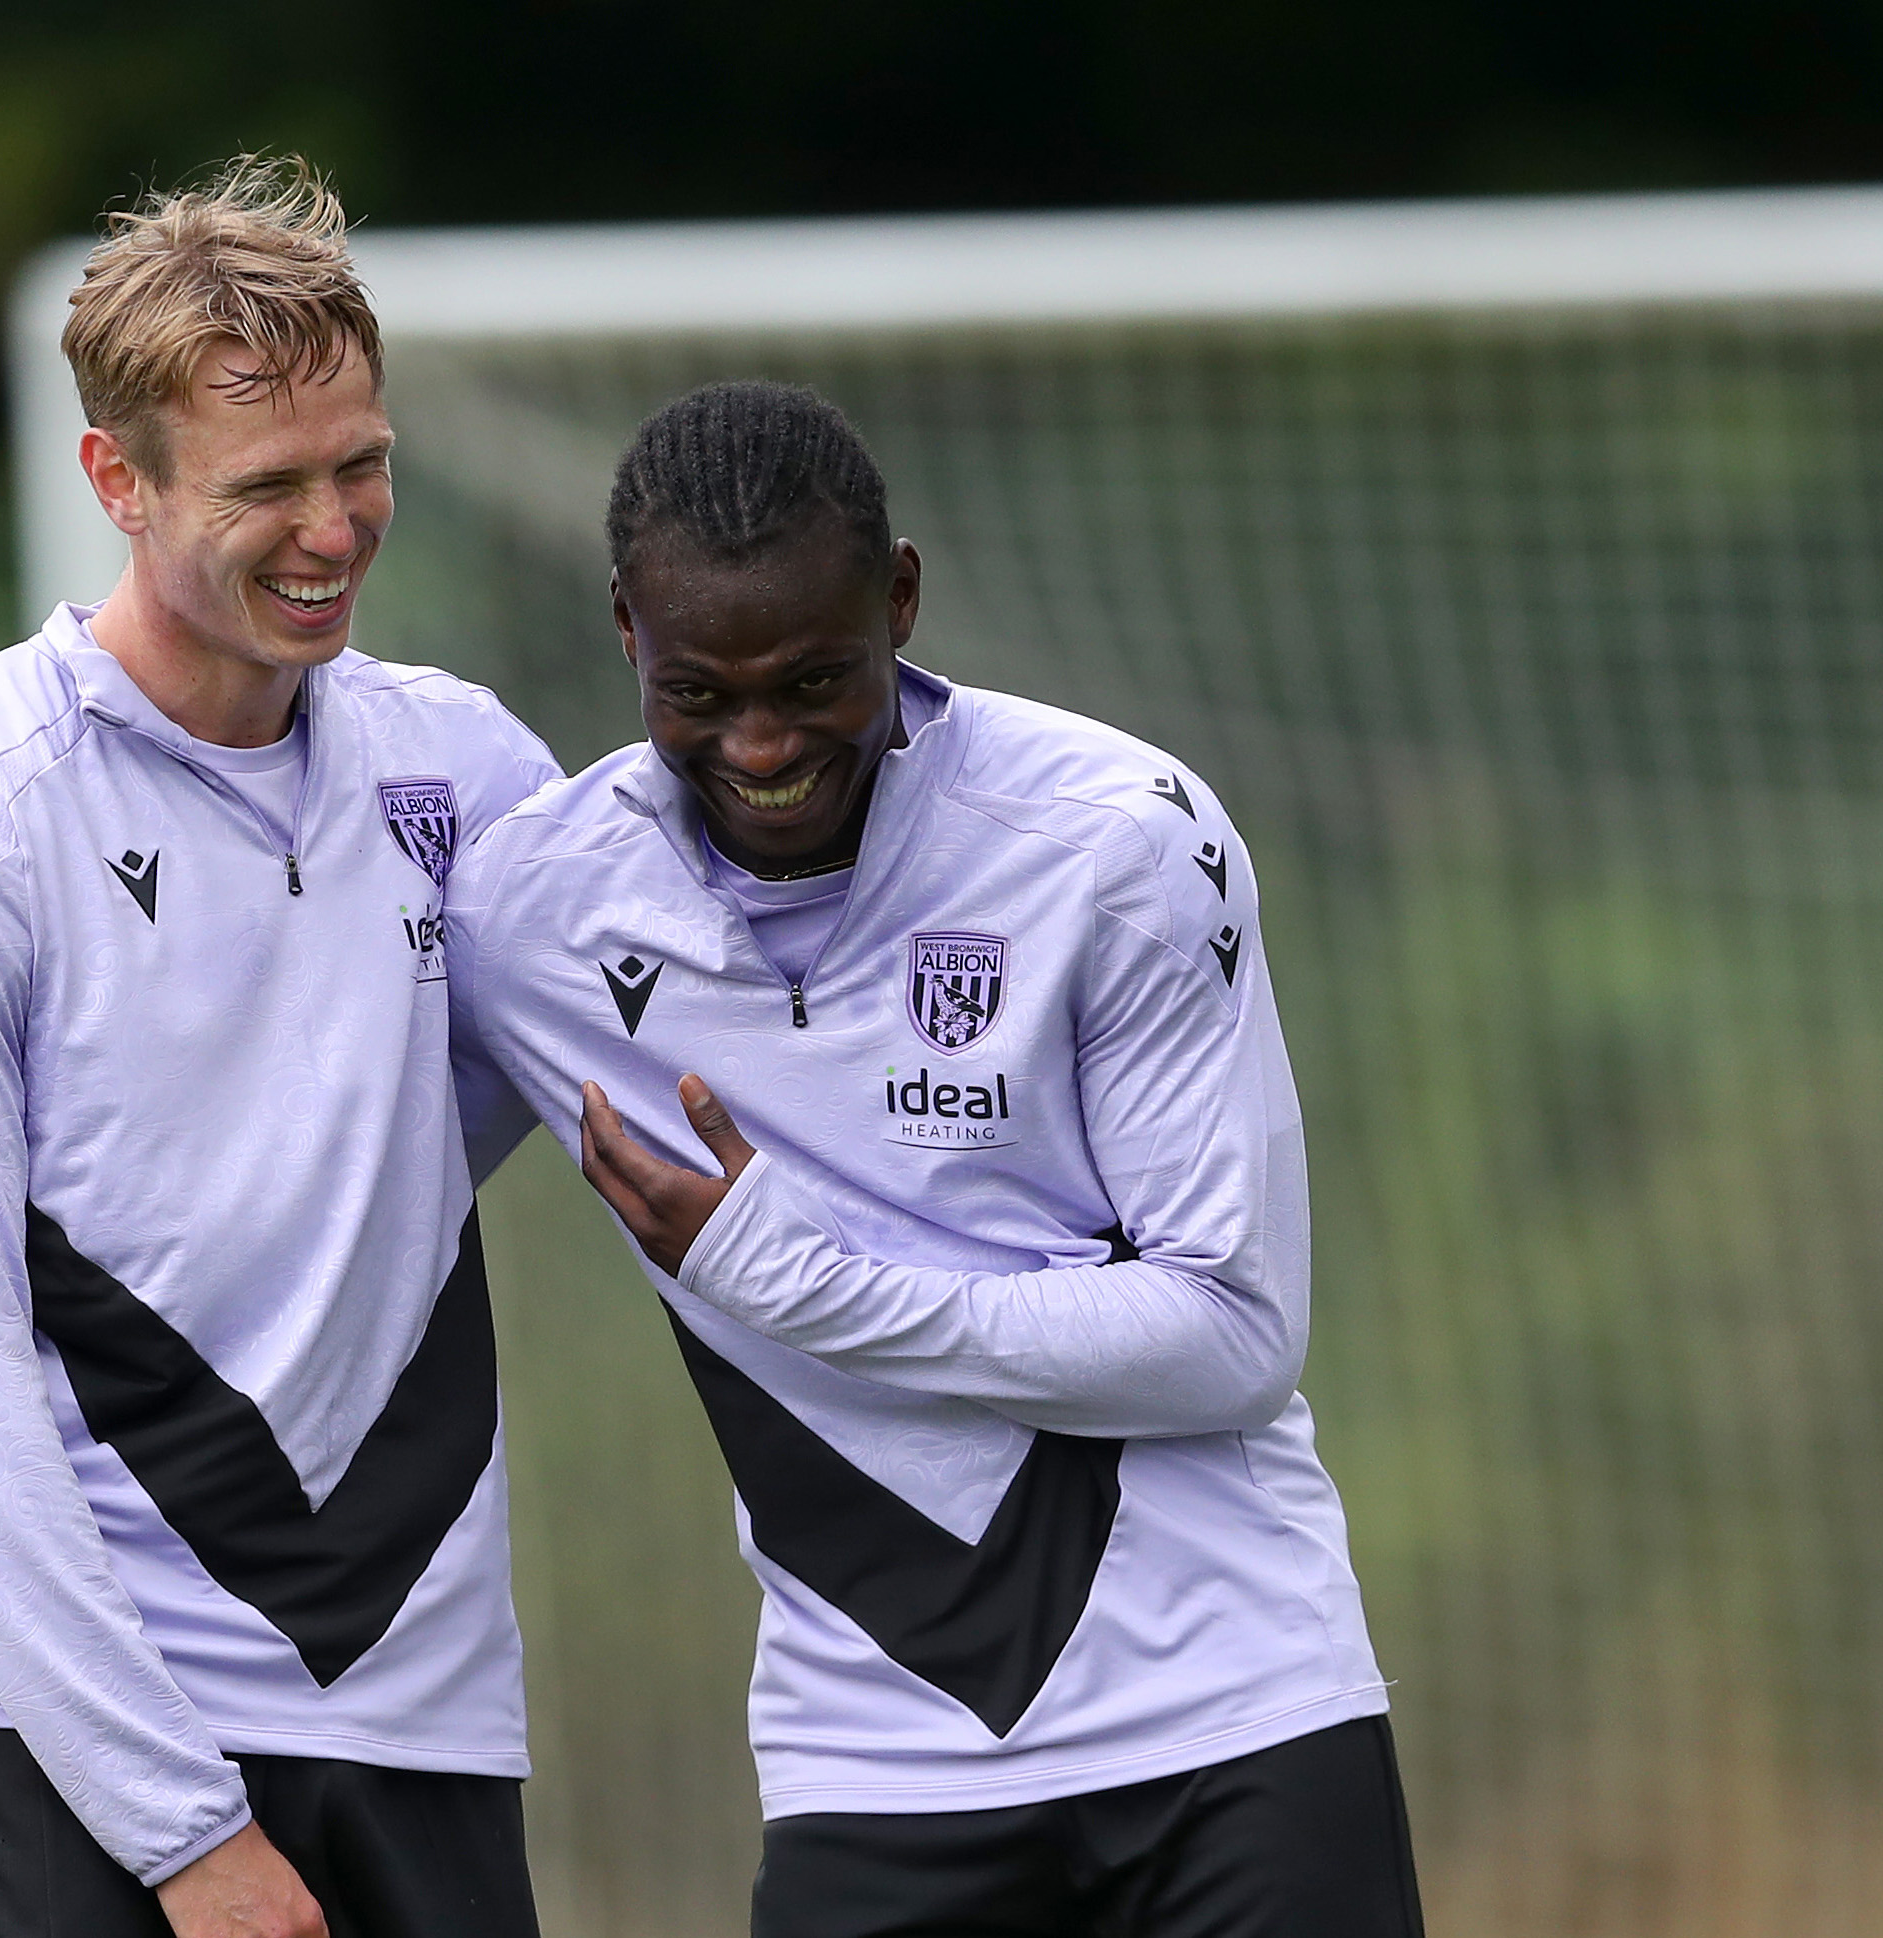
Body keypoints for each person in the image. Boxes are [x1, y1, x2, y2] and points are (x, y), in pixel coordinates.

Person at [445, 382, 1423, 1937]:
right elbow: (350, 1198)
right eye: (701, 692)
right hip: (877, 1762)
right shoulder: (526, 916)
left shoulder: (1116, 842)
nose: (762, 746)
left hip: (1234, 1718)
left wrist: (802, 1282)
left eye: (818, 678)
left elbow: (1236, 1334)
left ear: (901, 598)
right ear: (624, 629)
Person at [0, 157, 558, 1938]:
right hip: (76, 1745)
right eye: (267, 485)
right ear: (117, 485)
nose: (332, 528)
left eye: (361, 465)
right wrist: (176, 1828)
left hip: (420, 1711)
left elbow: (583, 1080)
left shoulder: (471, 773)